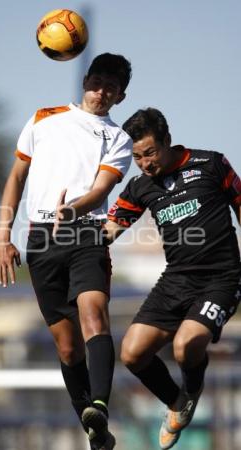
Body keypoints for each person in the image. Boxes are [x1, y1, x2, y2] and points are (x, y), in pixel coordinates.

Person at [0, 53, 133, 450]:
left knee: (93, 316)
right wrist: (3, 236)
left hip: (85, 234)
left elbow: (103, 190)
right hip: (40, 240)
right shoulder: (42, 118)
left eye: (112, 87)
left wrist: (73, 209)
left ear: (120, 96)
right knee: (68, 348)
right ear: (85, 80)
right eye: (98, 81)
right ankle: (95, 432)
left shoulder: (118, 138)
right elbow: (16, 176)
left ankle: (101, 406)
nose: (101, 92)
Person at [105, 107, 241, 449]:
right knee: (132, 354)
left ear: (167, 141)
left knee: (185, 346)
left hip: (221, 278)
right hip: (176, 279)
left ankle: (192, 391)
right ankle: (177, 403)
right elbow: (108, 230)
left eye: (150, 153)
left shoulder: (211, 164)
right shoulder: (140, 187)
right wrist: (69, 229)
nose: (145, 163)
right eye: (137, 157)